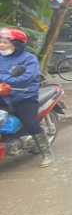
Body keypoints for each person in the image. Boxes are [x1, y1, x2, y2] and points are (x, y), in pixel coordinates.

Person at [0, 28, 54, 168]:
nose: (1, 45)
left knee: (31, 123)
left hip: (23, 95)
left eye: (5, 42)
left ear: (17, 44)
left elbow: (26, 77)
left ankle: (47, 153)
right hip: (2, 96)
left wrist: (5, 81)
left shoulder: (28, 59)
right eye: (0, 42)